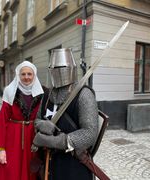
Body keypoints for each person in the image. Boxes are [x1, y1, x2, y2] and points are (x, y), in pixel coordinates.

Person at [32, 48, 99, 180]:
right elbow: (37, 119)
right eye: (54, 67)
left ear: (71, 68)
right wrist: (41, 124)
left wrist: (57, 141)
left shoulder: (84, 94)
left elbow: (90, 132)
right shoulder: (47, 94)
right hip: (48, 161)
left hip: (72, 164)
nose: (59, 71)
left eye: (62, 67)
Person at [0, 61, 44, 180]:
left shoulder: (42, 93)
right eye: (23, 74)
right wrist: (1, 149)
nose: (26, 77)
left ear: (34, 75)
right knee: (10, 170)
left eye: (29, 74)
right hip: (13, 139)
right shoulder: (10, 91)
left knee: (34, 169)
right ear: (18, 75)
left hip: (34, 140)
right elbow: (2, 120)